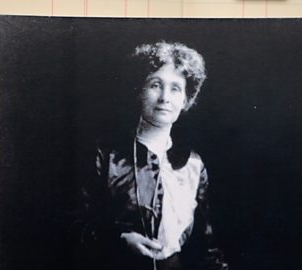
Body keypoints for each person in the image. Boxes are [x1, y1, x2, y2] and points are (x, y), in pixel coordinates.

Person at [79, 41, 228, 270]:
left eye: (176, 88)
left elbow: (206, 244)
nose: (165, 98)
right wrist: (119, 238)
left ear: (186, 100)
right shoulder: (106, 155)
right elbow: (75, 224)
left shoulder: (193, 164)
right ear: (139, 91)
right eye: (155, 85)